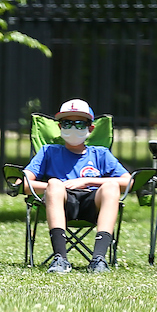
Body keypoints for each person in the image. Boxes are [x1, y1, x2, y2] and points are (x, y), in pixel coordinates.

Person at [21, 98, 130, 274]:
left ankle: (99, 259)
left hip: (92, 204)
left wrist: (87, 181)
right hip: (62, 204)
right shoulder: (48, 151)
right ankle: (60, 259)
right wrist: (56, 187)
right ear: (59, 127)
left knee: (111, 186)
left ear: (90, 128)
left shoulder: (100, 154)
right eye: (66, 123)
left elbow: (127, 181)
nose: (73, 128)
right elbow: (25, 184)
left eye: (80, 124)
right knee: (54, 184)